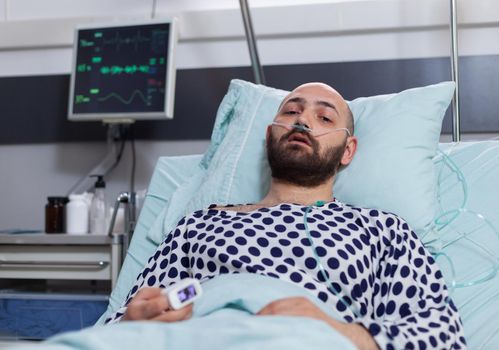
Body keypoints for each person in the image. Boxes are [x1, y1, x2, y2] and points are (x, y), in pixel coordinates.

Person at [105, 83, 466, 350]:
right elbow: (115, 324)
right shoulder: (198, 223)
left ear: (348, 151)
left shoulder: (382, 229)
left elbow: (443, 335)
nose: (303, 121)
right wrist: (134, 322)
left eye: (324, 117)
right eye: (291, 111)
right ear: (268, 136)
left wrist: (334, 331)